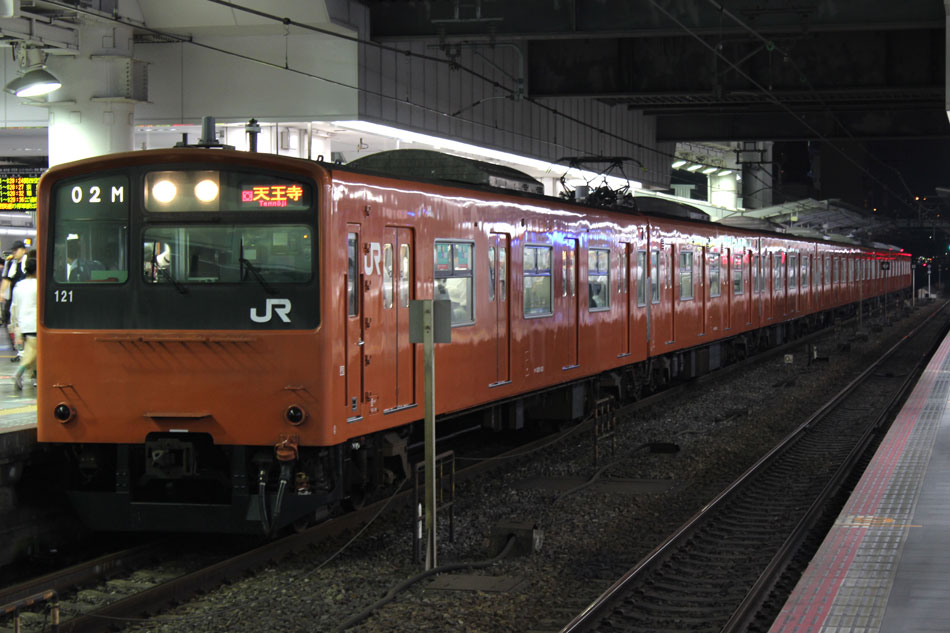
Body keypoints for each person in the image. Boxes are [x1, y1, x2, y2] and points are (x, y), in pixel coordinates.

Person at [10, 257, 36, 390]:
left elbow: (14, 306)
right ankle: (18, 373)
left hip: (22, 324)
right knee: (33, 352)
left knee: (32, 352)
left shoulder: (18, 286)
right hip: (34, 324)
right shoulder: (38, 285)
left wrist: (15, 324)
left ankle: (36, 378)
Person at [1, 241, 27, 326]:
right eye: (13, 250)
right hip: (13, 295)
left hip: (25, 296)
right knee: (8, 314)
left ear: (24, 251)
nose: (14, 252)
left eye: (16, 250)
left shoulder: (29, 263)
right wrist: (2, 292)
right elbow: (7, 279)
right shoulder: (10, 263)